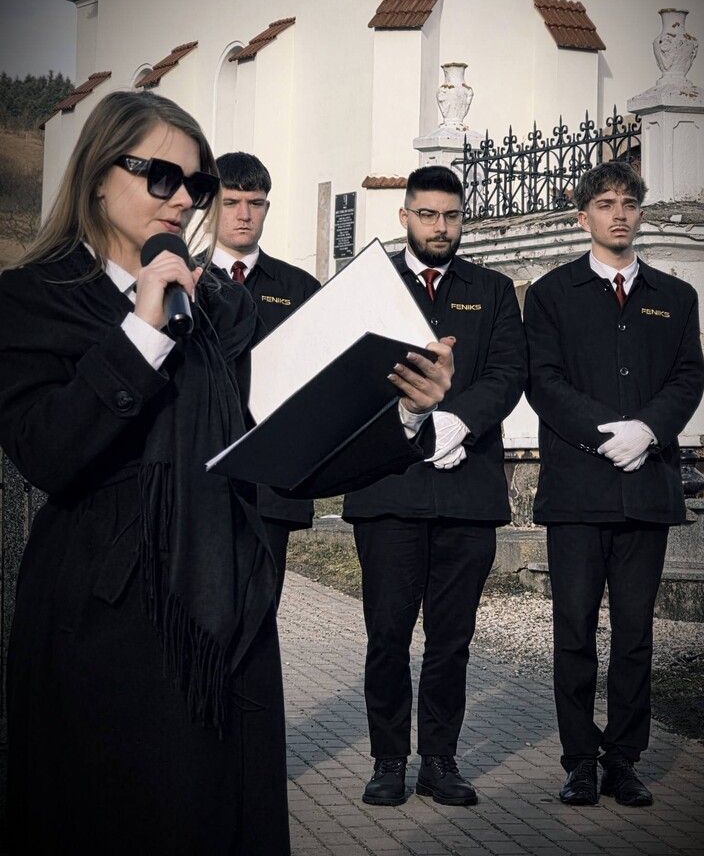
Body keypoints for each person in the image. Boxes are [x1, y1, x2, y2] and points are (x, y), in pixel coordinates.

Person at [0, 91, 455, 855]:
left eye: (197, 184)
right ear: (97, 175)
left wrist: (405, 412)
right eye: (161, 176)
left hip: (225, 614)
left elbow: (285, 450)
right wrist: (142, 332)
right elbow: (47, 451)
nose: (183, 199)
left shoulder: (220, 306)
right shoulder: (34, 299)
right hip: (105, 618)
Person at [524, 160, 704, 808]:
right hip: (578, 491)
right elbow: (543, 380)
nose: (619, 214)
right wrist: (606, 434)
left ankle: (623, 759)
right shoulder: (551, 294)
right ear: (584, 217)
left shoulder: (674, 296)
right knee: (574, 631)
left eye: (629, 203)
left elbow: (689, 375)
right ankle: (579, 761)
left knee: (634, 635)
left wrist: (649, 430)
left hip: (646, 490)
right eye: (605, 204)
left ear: (640, 213)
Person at [343, 165, 527, 807]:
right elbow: (346, 377)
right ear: (405, 217)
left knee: (451, 641)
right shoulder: (367, 285)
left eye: (451, 215)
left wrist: (457, 422)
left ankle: (440, 761)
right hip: (387, 487)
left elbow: (508, 373)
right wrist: (413, 422)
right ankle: (389, 760)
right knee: (388, 636)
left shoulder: (493, 290)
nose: (440, 227)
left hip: (466, 493)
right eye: (427, 215)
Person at [211, 150, 321, 603]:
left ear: (267, 208)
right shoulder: (181, 280)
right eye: (231, 202)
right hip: (201, 476)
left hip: (272, 482)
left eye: (254, 203)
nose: (244, 215)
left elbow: (321, 379)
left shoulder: (300, 288)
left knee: (260, 613)